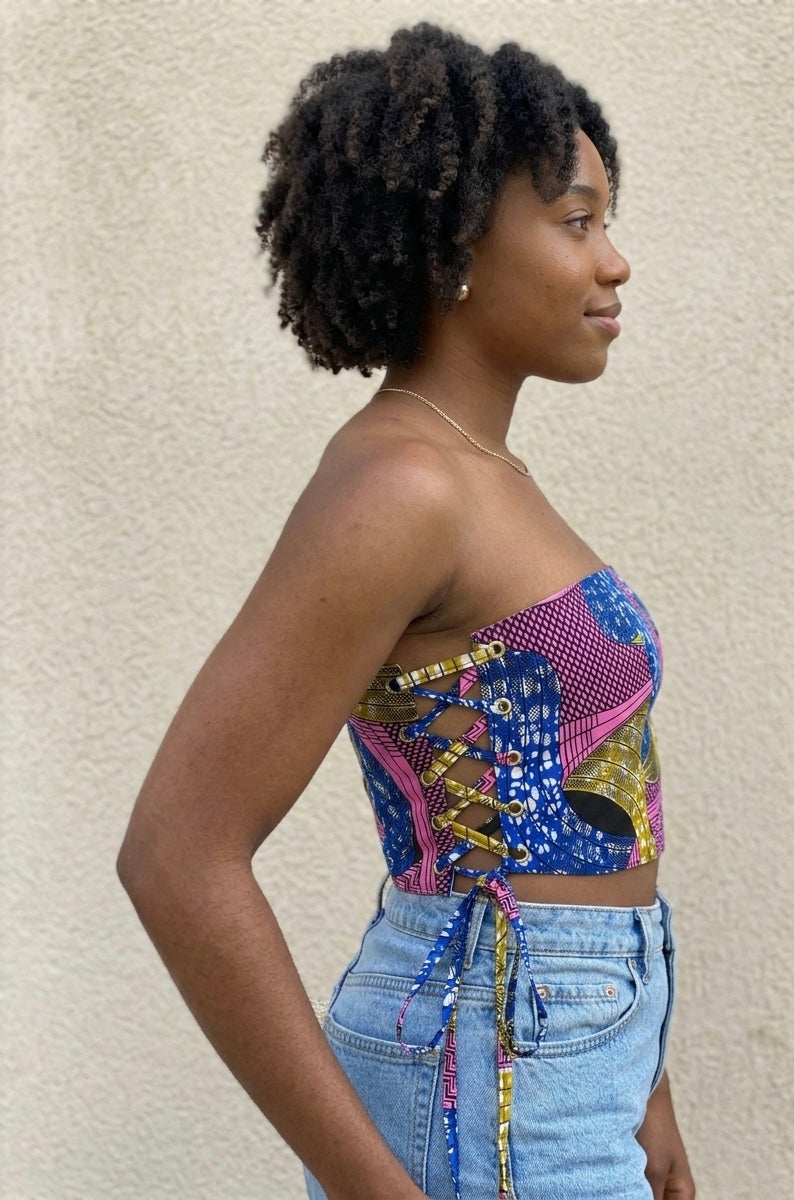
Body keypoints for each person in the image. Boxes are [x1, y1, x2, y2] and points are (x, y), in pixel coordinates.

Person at [118, 22, 695, 1200]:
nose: (615, 262)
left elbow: (586, 808)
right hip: (487, 1078)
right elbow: (177, 857)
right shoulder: (402, 487)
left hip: (566, 1057)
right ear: (455, 243)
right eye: (576, 221)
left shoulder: (481, 477)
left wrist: (643, 1085)